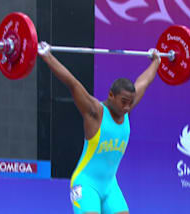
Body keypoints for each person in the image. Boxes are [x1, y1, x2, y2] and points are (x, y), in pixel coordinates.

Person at [38, 42, 161, 214]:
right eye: (123, 102)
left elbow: (144, 81)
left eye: (130, 103)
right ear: (111, 95)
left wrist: (156, 60)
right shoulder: (95, 112)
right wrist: (47, 56)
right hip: (85, 184)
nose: (127, 107)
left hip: (110, 187)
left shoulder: (126, 109)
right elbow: (72, 84)